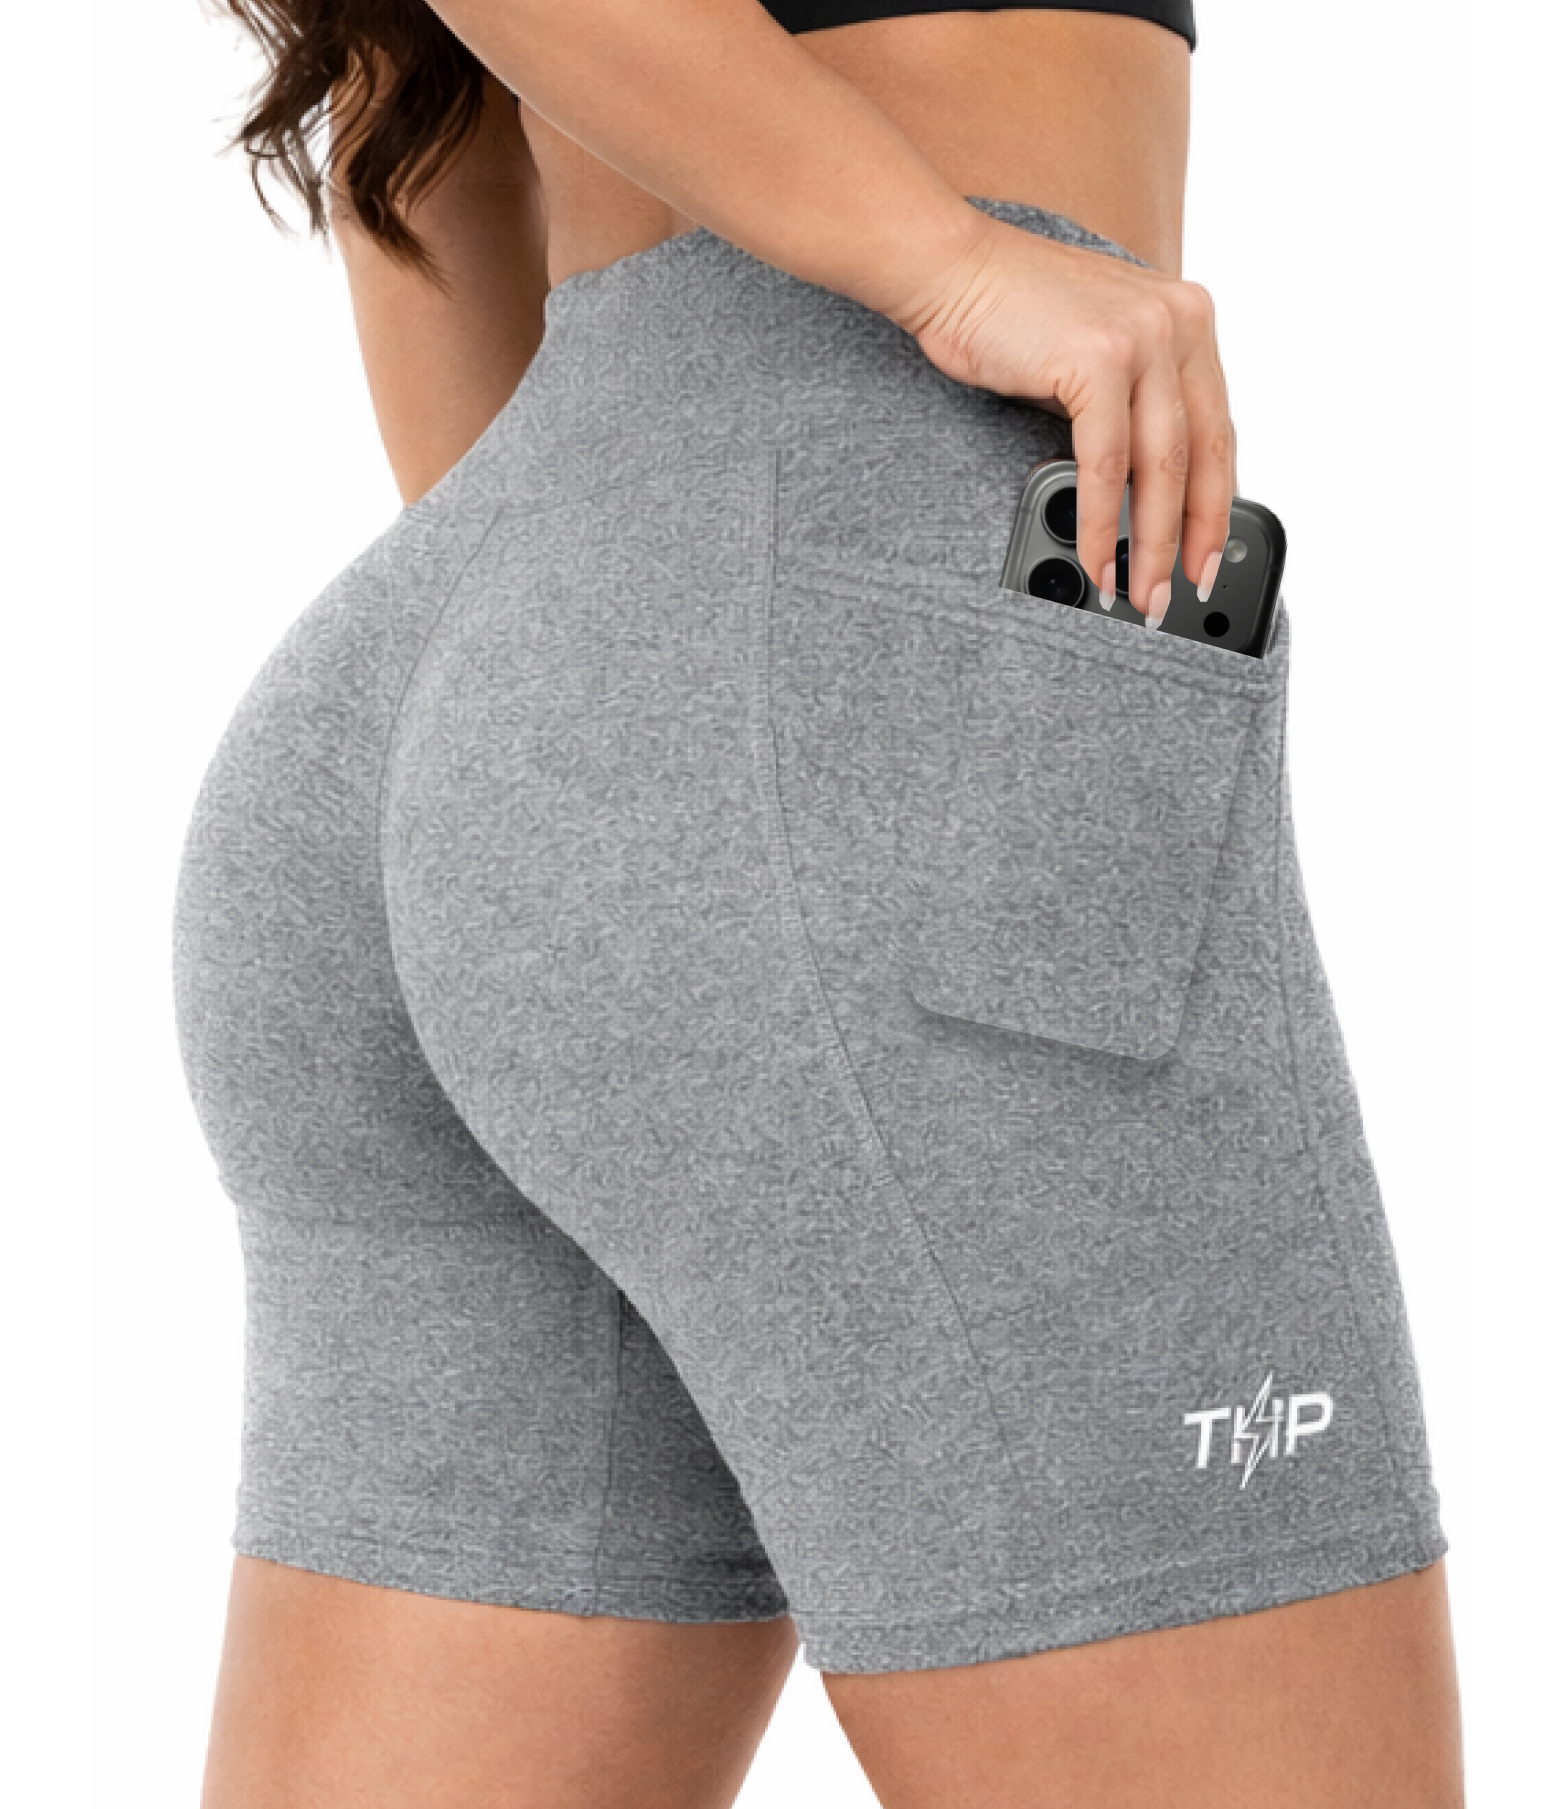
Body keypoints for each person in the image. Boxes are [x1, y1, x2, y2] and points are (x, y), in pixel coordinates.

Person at [175, 0, 1465, 1801]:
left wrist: (591, 753)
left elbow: (427, 102)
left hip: (466, 666)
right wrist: (946, 262)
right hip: (852, 606)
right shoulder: (926, 302)